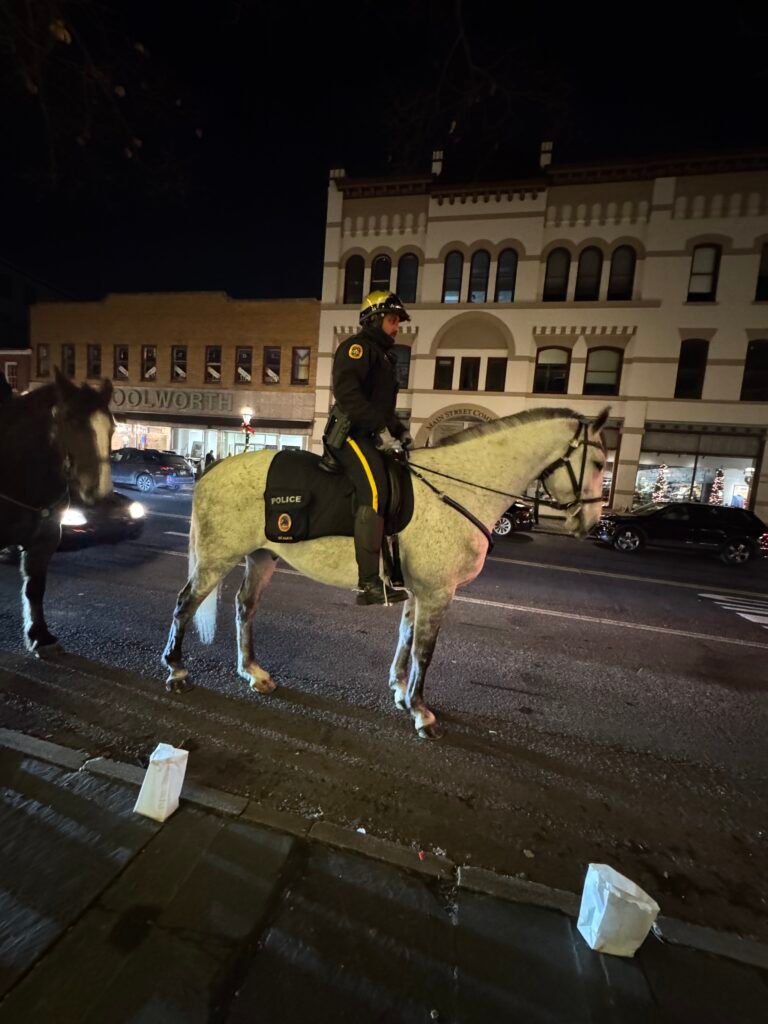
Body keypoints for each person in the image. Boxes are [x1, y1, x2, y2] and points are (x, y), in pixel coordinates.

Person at [324, 290, 414, 606]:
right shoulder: (357, 349)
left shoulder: (384, 356)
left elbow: (383, 408)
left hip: (370, 434)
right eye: (392, 320)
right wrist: (380, 429)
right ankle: (368, 583)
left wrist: (400, 432)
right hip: (349, 434)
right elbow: (348, 396)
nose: (396, 327)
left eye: (397, 322)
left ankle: (393, 567)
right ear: (374, 320)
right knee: (375, 492)